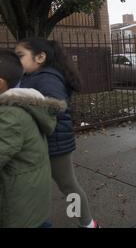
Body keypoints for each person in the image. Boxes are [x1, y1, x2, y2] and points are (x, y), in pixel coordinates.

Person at [15, 38, 99, 228]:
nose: (16, 60)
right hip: (43, 142)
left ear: (40, 57)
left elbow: (54, 108)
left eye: (20, 55)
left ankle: (87, 224)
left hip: (55, 144)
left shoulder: (47, 77)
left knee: (68, 186)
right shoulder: (32, 75)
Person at [0, 50, 64, 228]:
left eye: (22, 53)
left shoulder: (9, 117)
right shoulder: (22, 106)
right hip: (29, 196)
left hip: (17, 204)